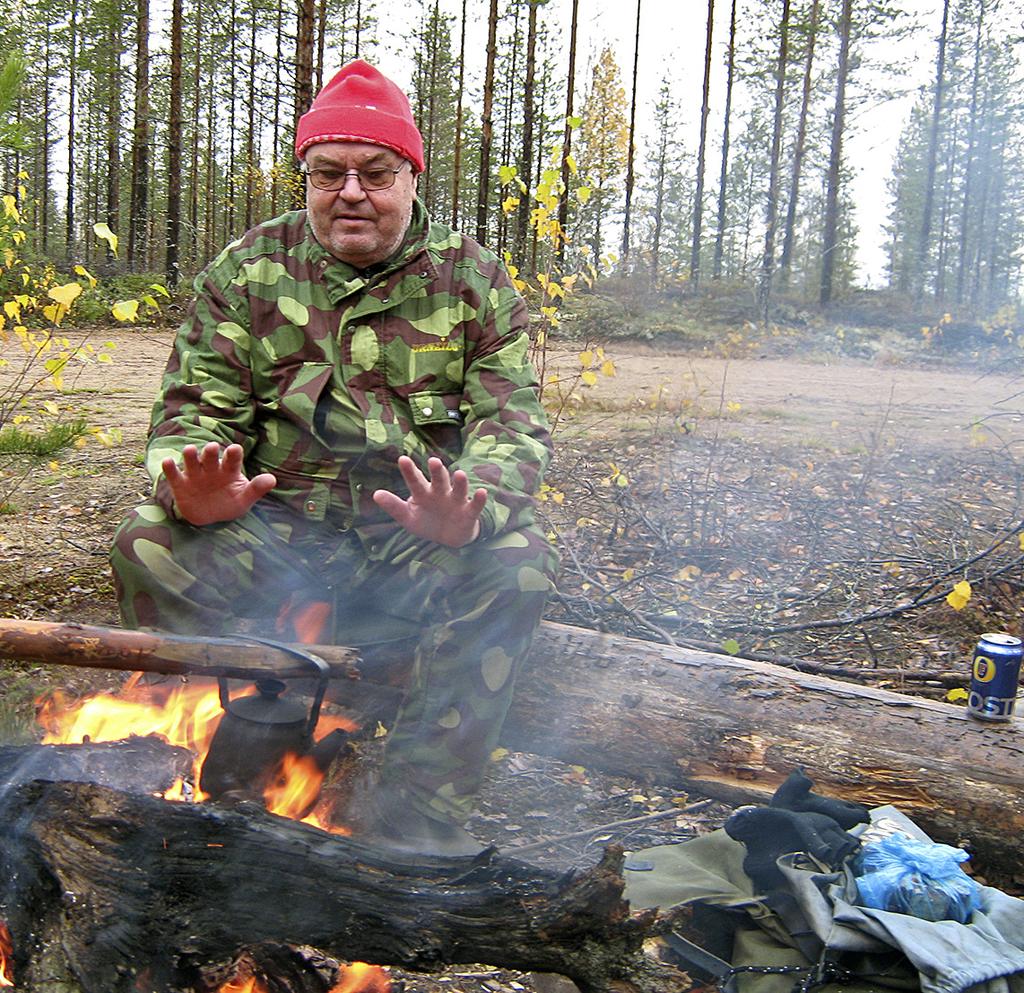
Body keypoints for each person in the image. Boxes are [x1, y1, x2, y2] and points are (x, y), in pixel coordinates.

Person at [110, 60, 558, 855]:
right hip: (274, 542)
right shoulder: (247, 272)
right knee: (149, 542)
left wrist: (472, 506)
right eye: (328, 173)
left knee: (517, 563)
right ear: (306, 179)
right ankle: (231, 746)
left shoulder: (474, 282)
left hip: (405, 548)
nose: (351, 192)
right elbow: (191, 412)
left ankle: (413, 817)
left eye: (376, 173)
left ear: (412, 176)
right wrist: (194, 491)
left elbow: (514, 427)